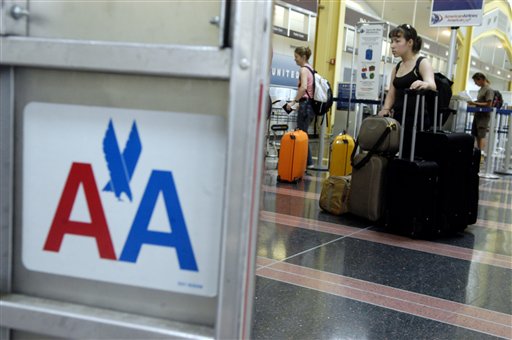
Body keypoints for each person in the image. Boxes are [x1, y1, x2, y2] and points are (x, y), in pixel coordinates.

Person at [378, 24, 436, 158]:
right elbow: (392, 92)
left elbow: (432, 85)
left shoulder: (422, 62)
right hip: (398, 119)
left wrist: (424, 83)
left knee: (411, 156)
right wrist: (386, 109)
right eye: (392, 41)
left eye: (397, 41)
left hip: (417, 121)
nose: (392, 45)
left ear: (410, 42)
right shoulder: (397, 67)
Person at [286, 46, 315, 168]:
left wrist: (293, 102)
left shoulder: (303, 70)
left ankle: (308, 163)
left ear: (303, 57)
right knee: (304, 133)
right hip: (310, 105)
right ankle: (307, 162)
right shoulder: (311, 69)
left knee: (302, 134)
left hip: (305, 106)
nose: (295, 60)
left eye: (296, 57)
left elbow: (303, 88)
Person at [467, 72, 494, 152]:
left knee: (481, 135)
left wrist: (474, 103)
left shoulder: (489, 90)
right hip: (478, 114)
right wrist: (473, 102)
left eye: (476, 81)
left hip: (484, 116)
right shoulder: (481, 89)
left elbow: (489, 103)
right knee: (477, 135)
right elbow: (480, 101)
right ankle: (478, 152)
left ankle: (480, 154)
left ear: (481, 79)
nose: (475, 84)